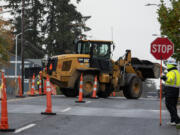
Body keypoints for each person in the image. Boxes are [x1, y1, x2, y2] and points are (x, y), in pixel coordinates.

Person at [161, 58, 180, 126]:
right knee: (173, 106)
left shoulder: (171, 72)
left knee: (169, 105)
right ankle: (173, 121)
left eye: (168, 64)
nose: (167, 65)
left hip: (170, 90)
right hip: (176, 90)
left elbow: (170, 80)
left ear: (170, 64)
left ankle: (177, 120)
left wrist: (164, 78)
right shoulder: (177, 72)